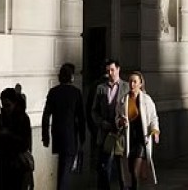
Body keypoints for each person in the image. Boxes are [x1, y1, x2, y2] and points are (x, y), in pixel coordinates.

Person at [42, 63, 87, 190]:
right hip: (70, 136)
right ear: (71, 77)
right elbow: (81, 117)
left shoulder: (53, 92)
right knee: (65, 170)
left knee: (63, 166)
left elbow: (46, 115)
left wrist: (45, 136)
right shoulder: (76, 93)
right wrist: (83, 137)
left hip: (57, 134)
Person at [116, 71, 160, 190]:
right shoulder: (123, 100)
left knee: (135, 171)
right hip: (129, 140)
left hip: (141, 140)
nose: (132, 84)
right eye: (130, 81)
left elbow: (153, 117)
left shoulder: (146, 100)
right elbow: (117, 116)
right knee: (129, 171)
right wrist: (120, 122)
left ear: (140, 84)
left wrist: (155, 131)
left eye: (135, 82)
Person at [91, 59, 130, 190]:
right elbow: (94, 110)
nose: (110, 73)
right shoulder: (101, 88)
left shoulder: (126, 87)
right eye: (108, 71)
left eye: (112, 70)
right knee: (104, 165)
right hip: (105, 132)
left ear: (118, 69)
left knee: (121, 167)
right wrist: (101, 123)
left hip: (121, 133)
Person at [0, 87, 32, 190]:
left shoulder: (22, 119)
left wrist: (7, 135)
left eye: (8, 105)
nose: (5, 109)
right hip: (3, 167)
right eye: (3, 105)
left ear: (15, 103)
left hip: (14, 167)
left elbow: (25, 144)